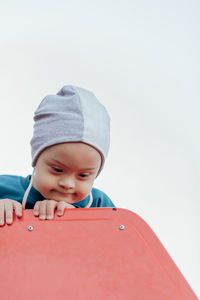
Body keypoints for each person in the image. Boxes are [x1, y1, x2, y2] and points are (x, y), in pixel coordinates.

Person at [0, 85, 115, 226]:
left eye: (83, 175)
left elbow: (122, 243)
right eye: (57, 169)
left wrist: (79, 220)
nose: (68, 184)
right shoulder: (3, 188)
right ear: (36, 158)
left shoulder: (100, 206)